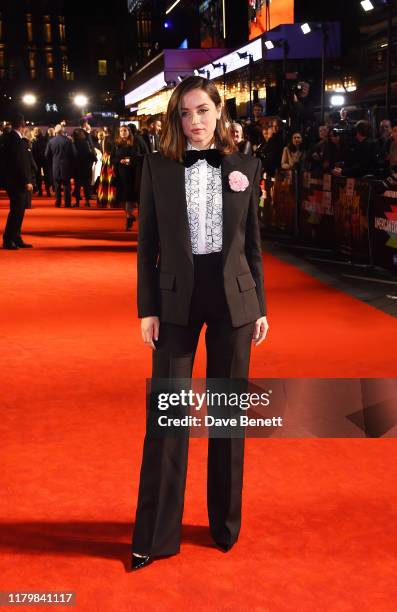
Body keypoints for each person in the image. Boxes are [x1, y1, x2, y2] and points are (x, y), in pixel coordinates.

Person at [131, 75, 269, 571]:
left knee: (228, 418)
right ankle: (155, 535)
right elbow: (147, 245)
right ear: (175, 119)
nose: (195, 123)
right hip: (175, 301)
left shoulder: (245, 167)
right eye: (185, 114)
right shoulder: (157, 168)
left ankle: (224, 527)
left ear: (219, 112)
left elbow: (252, 246)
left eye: (203, 111)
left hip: (233, 299)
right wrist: (147, 307)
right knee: (167, 418)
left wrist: (260, 306)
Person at [2, 113, 34, 250]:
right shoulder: (15, 139)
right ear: (22, 125)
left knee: (19, 211)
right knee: (16, 211)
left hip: (14, 180)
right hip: (16, 181)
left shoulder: (13, 138)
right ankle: (9, 239)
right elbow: (19, 163)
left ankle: (15, 237)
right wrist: (27, 180)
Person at [111, 125, 147, 230]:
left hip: (134, 174)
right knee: (122, 199)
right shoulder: (117, 143)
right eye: (121, 130)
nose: (123, 132)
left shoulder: (136, 142)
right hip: (120, 175)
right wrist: (120, 161)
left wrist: (131, 160)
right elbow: (112, 159)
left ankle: (129, 218)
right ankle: (129, 215)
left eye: (125, 130)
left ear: (129, 131)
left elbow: (144, 155)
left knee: (129, 198)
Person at [45, 123, 74, 207]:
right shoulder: (67, 140)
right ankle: (67, 203)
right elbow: (73, 154)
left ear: (55, 131)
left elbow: (46, 154)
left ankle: (58, 202)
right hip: (66, 165)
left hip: (55, 165)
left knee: (57, 185)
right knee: (66, 185)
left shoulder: (51, 141)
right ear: (62, 131)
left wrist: (53, 160)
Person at [71, 128, 97, 207]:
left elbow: (73, 155)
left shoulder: (73, 143)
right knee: (86, 185)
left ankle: (77, 202)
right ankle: (87, 201)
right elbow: (90, 154)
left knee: (78, 185)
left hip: (77, 167)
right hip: (86, 167)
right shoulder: (86, 143)